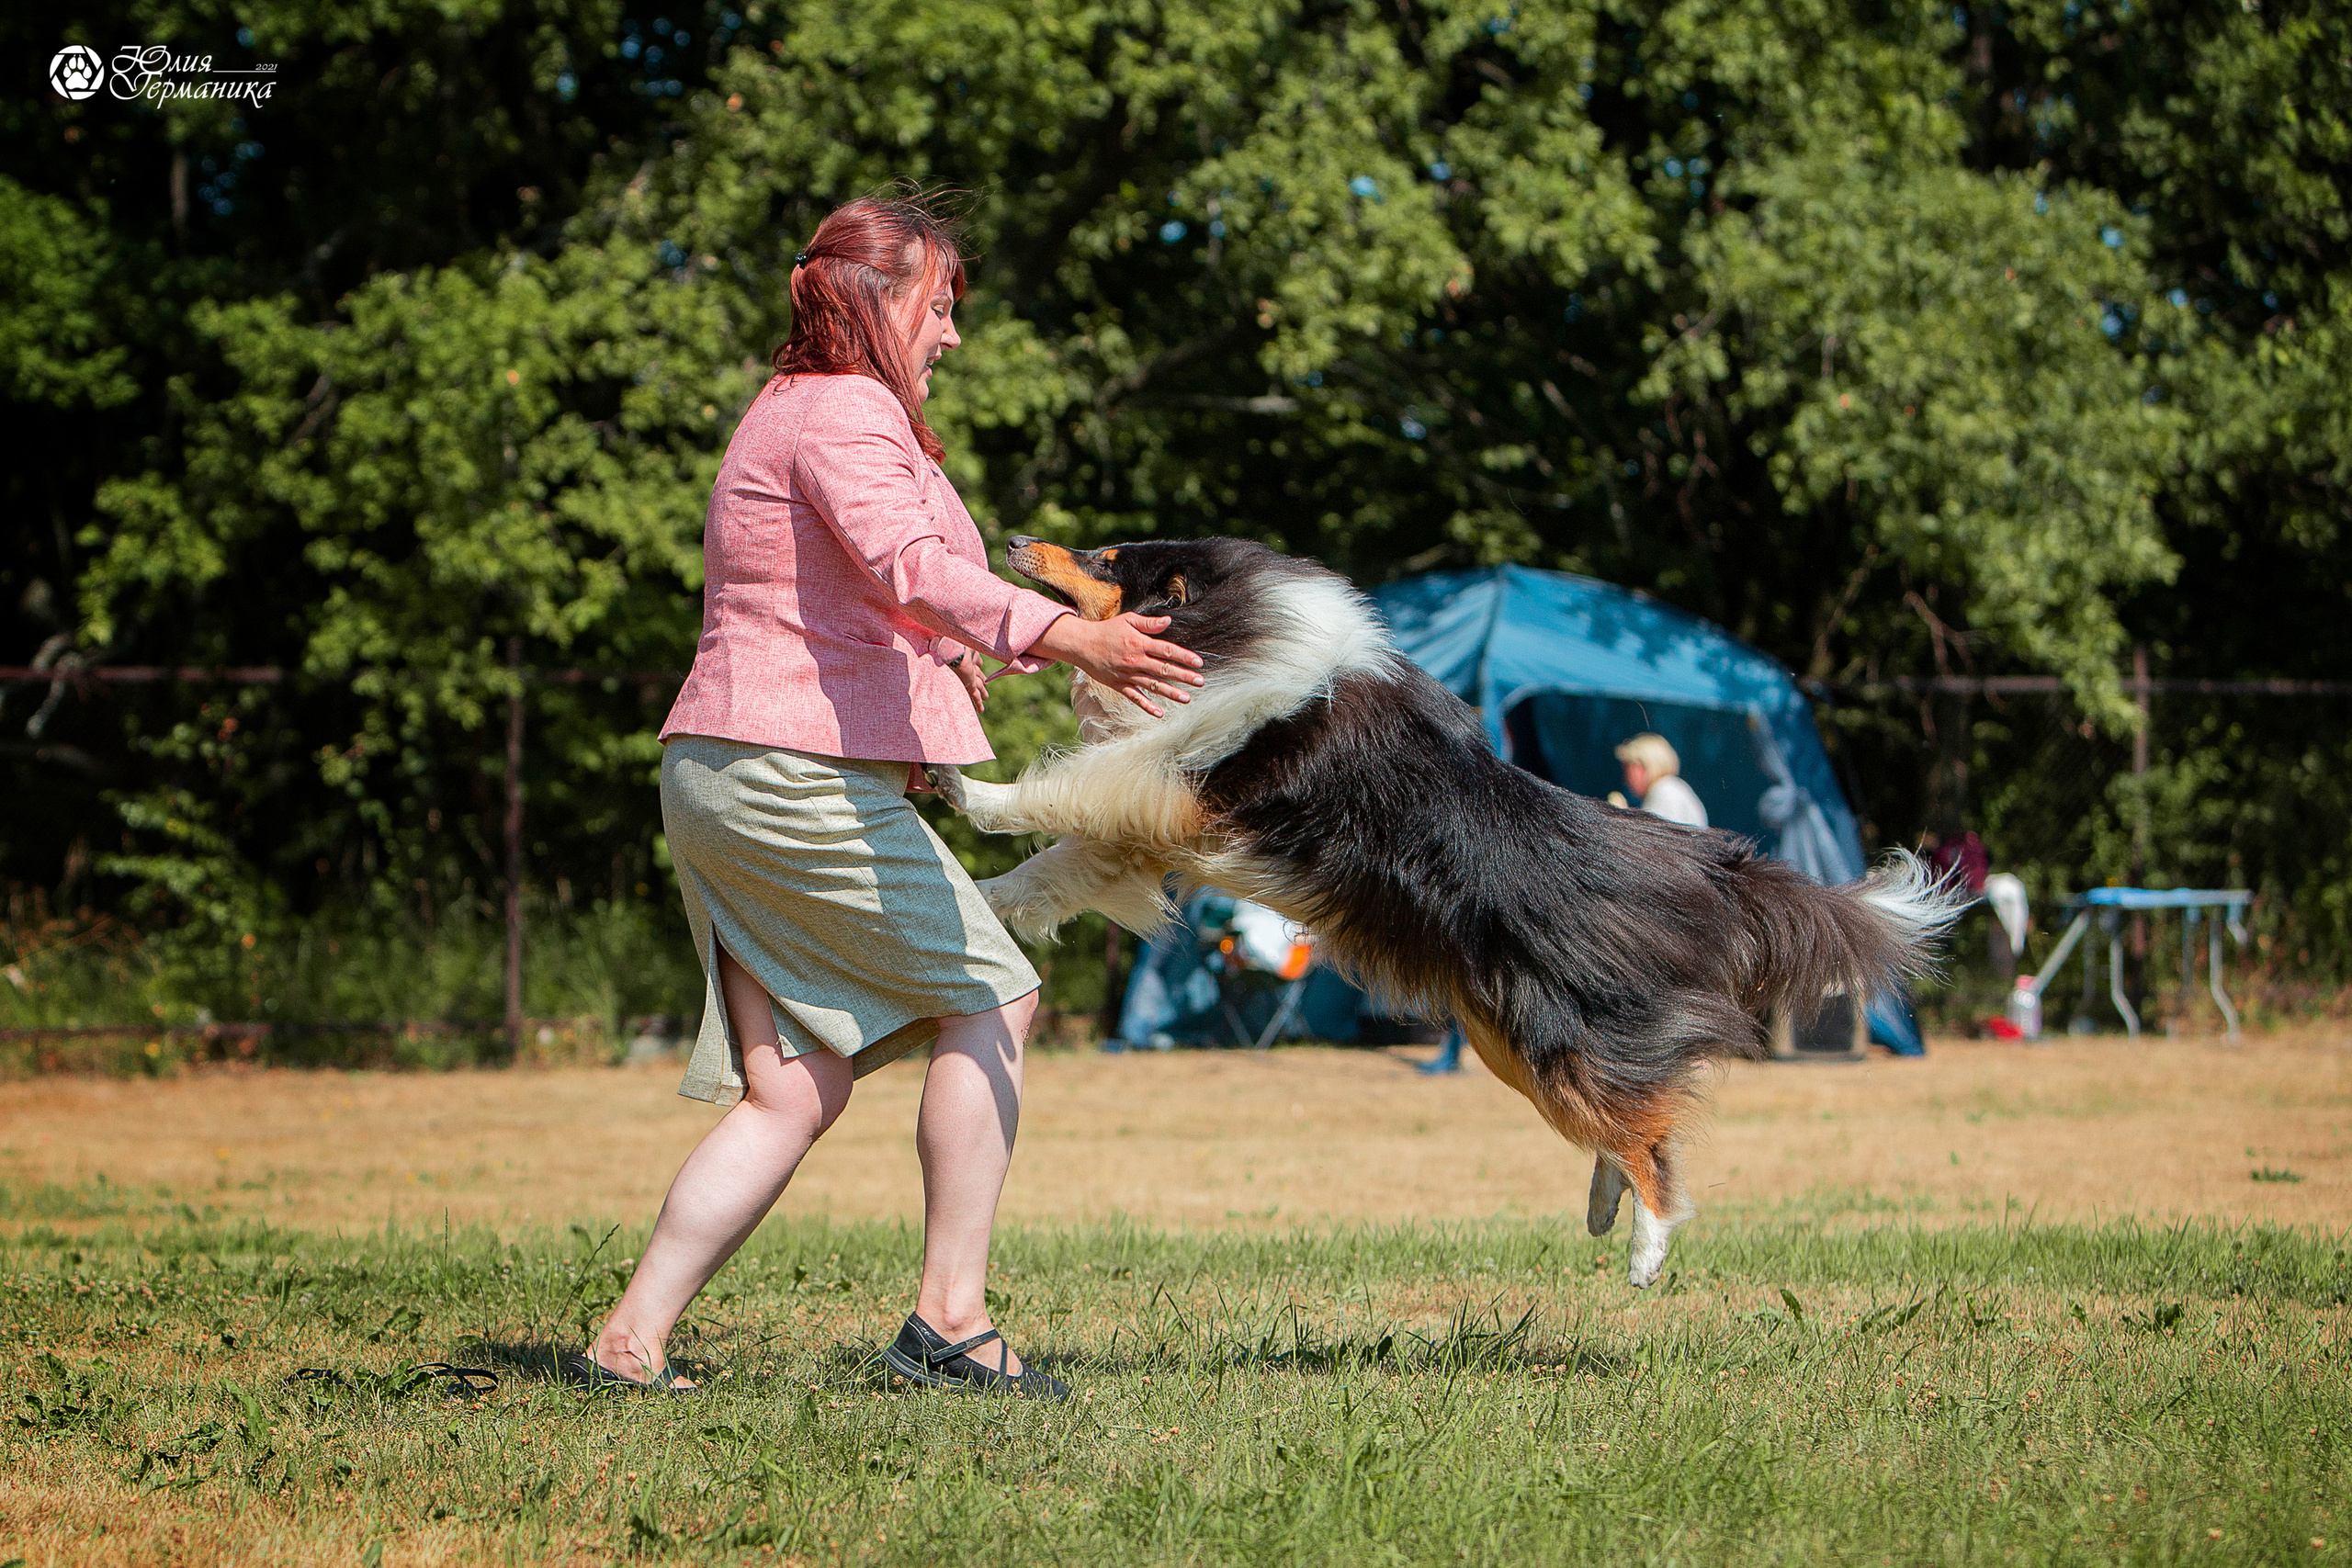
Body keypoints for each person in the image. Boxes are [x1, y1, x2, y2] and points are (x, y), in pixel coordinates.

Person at [569, 192, 1204, 1403]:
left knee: (794, 1080)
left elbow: (888, 582)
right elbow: (910, 563)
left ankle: (628, 1336)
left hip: (730, 765)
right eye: (942, 305)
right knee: (996, 997)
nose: (954, 334)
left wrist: (957, 649)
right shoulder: (848, 412)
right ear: (878, 298)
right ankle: (949, 1320)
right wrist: (1076, 637)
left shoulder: (805, 412)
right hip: (786, 772)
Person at [1613, 732, 1708, 828]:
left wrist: (1623, 820)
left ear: (1642, 766)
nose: (1626, 779)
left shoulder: (1664, 792)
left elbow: (1654, 839)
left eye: (1628, 768)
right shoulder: (1672, 788)